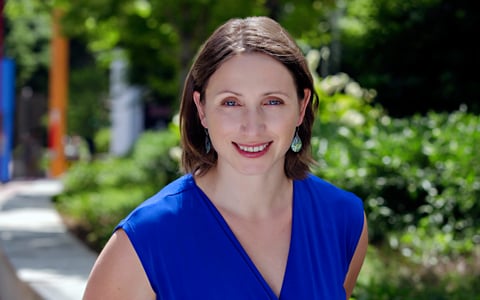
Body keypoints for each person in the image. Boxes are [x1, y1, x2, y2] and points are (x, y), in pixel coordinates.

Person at [82, 16, 368, 300]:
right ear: (202, 109)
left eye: (272, 101)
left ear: (302, 106)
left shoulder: (344, 220)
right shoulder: (145, 239)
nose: (252, 126)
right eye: (231, 102)